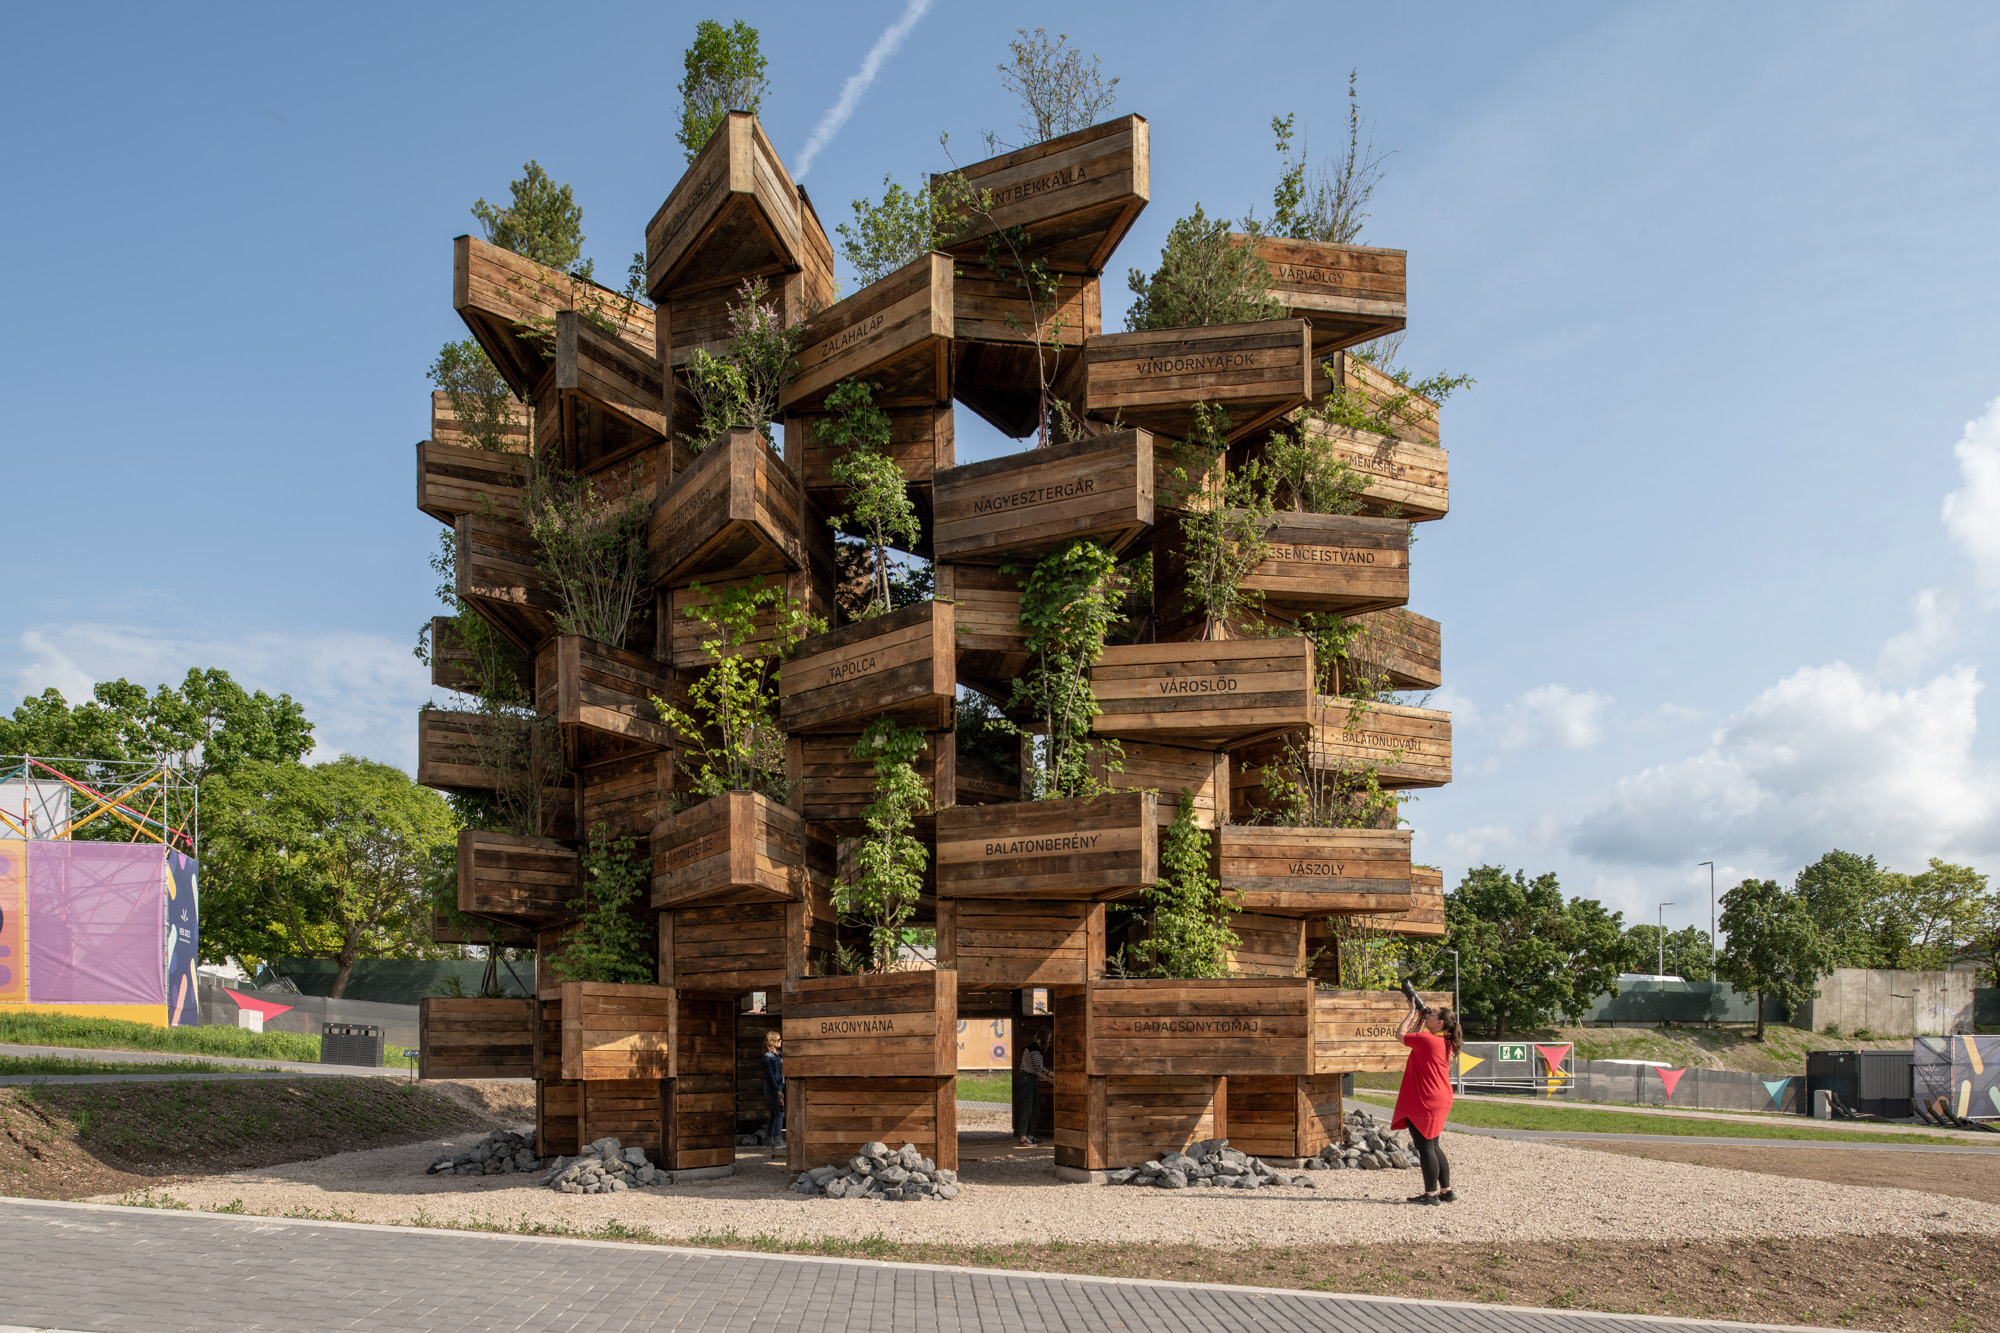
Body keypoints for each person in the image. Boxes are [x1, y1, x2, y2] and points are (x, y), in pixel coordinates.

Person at [1391, 992, 1462, 1204]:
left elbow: (1401, 1035)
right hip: (1440, 1097)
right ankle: (1446, 1191)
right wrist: (1422, 1019)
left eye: (1432, 1014)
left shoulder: (1429, 1041)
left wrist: (1412, 1012)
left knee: (1425, 1147)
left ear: (1439, 1023)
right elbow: (1414, 1039)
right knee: (1434, 1145)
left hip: (1426, 1099)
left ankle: (1431, 1195)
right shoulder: (1443, 1042)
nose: (1428, 1014)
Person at [1013, 1027, 1054, 1147]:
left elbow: (1036, 1071)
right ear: (1044, 1037)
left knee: (1035, 1110)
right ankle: (1023, 1138)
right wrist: (1053, 1075)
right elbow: (1039, 1068)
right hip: (1027, 1081)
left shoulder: (1035, 1048)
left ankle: (1030, 1136)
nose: (1050, 1040)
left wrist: (1049, 1079)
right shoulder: (1035, 1049)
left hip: (1030, 1079)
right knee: (1027, 1110)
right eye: (1049, 1037)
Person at [762, 1028, 785, 1151]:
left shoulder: (779, 1054)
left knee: (773, 1113)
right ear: (773, 1041)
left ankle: (769, 1139)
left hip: (779, 1086)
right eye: (779, 1039)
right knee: (780, 1113)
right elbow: (770, 1076)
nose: (781, 1041)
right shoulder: (768, 1057)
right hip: (773, 1088)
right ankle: (778, 1139)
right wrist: (777, 1090)